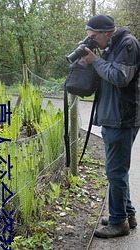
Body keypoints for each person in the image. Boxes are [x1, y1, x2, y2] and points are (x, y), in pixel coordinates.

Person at [82, 15, 140, 238]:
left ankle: (118, 223)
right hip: (112, 117)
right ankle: (127, 214)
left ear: (106, 32)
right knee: (117, 171)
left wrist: (95, 61)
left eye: (94, 37)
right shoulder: (111, 46)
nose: (93, 41)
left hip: (122, 118)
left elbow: (119, 77)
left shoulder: (128, 44)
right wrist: (92, 60)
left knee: (115, 171)